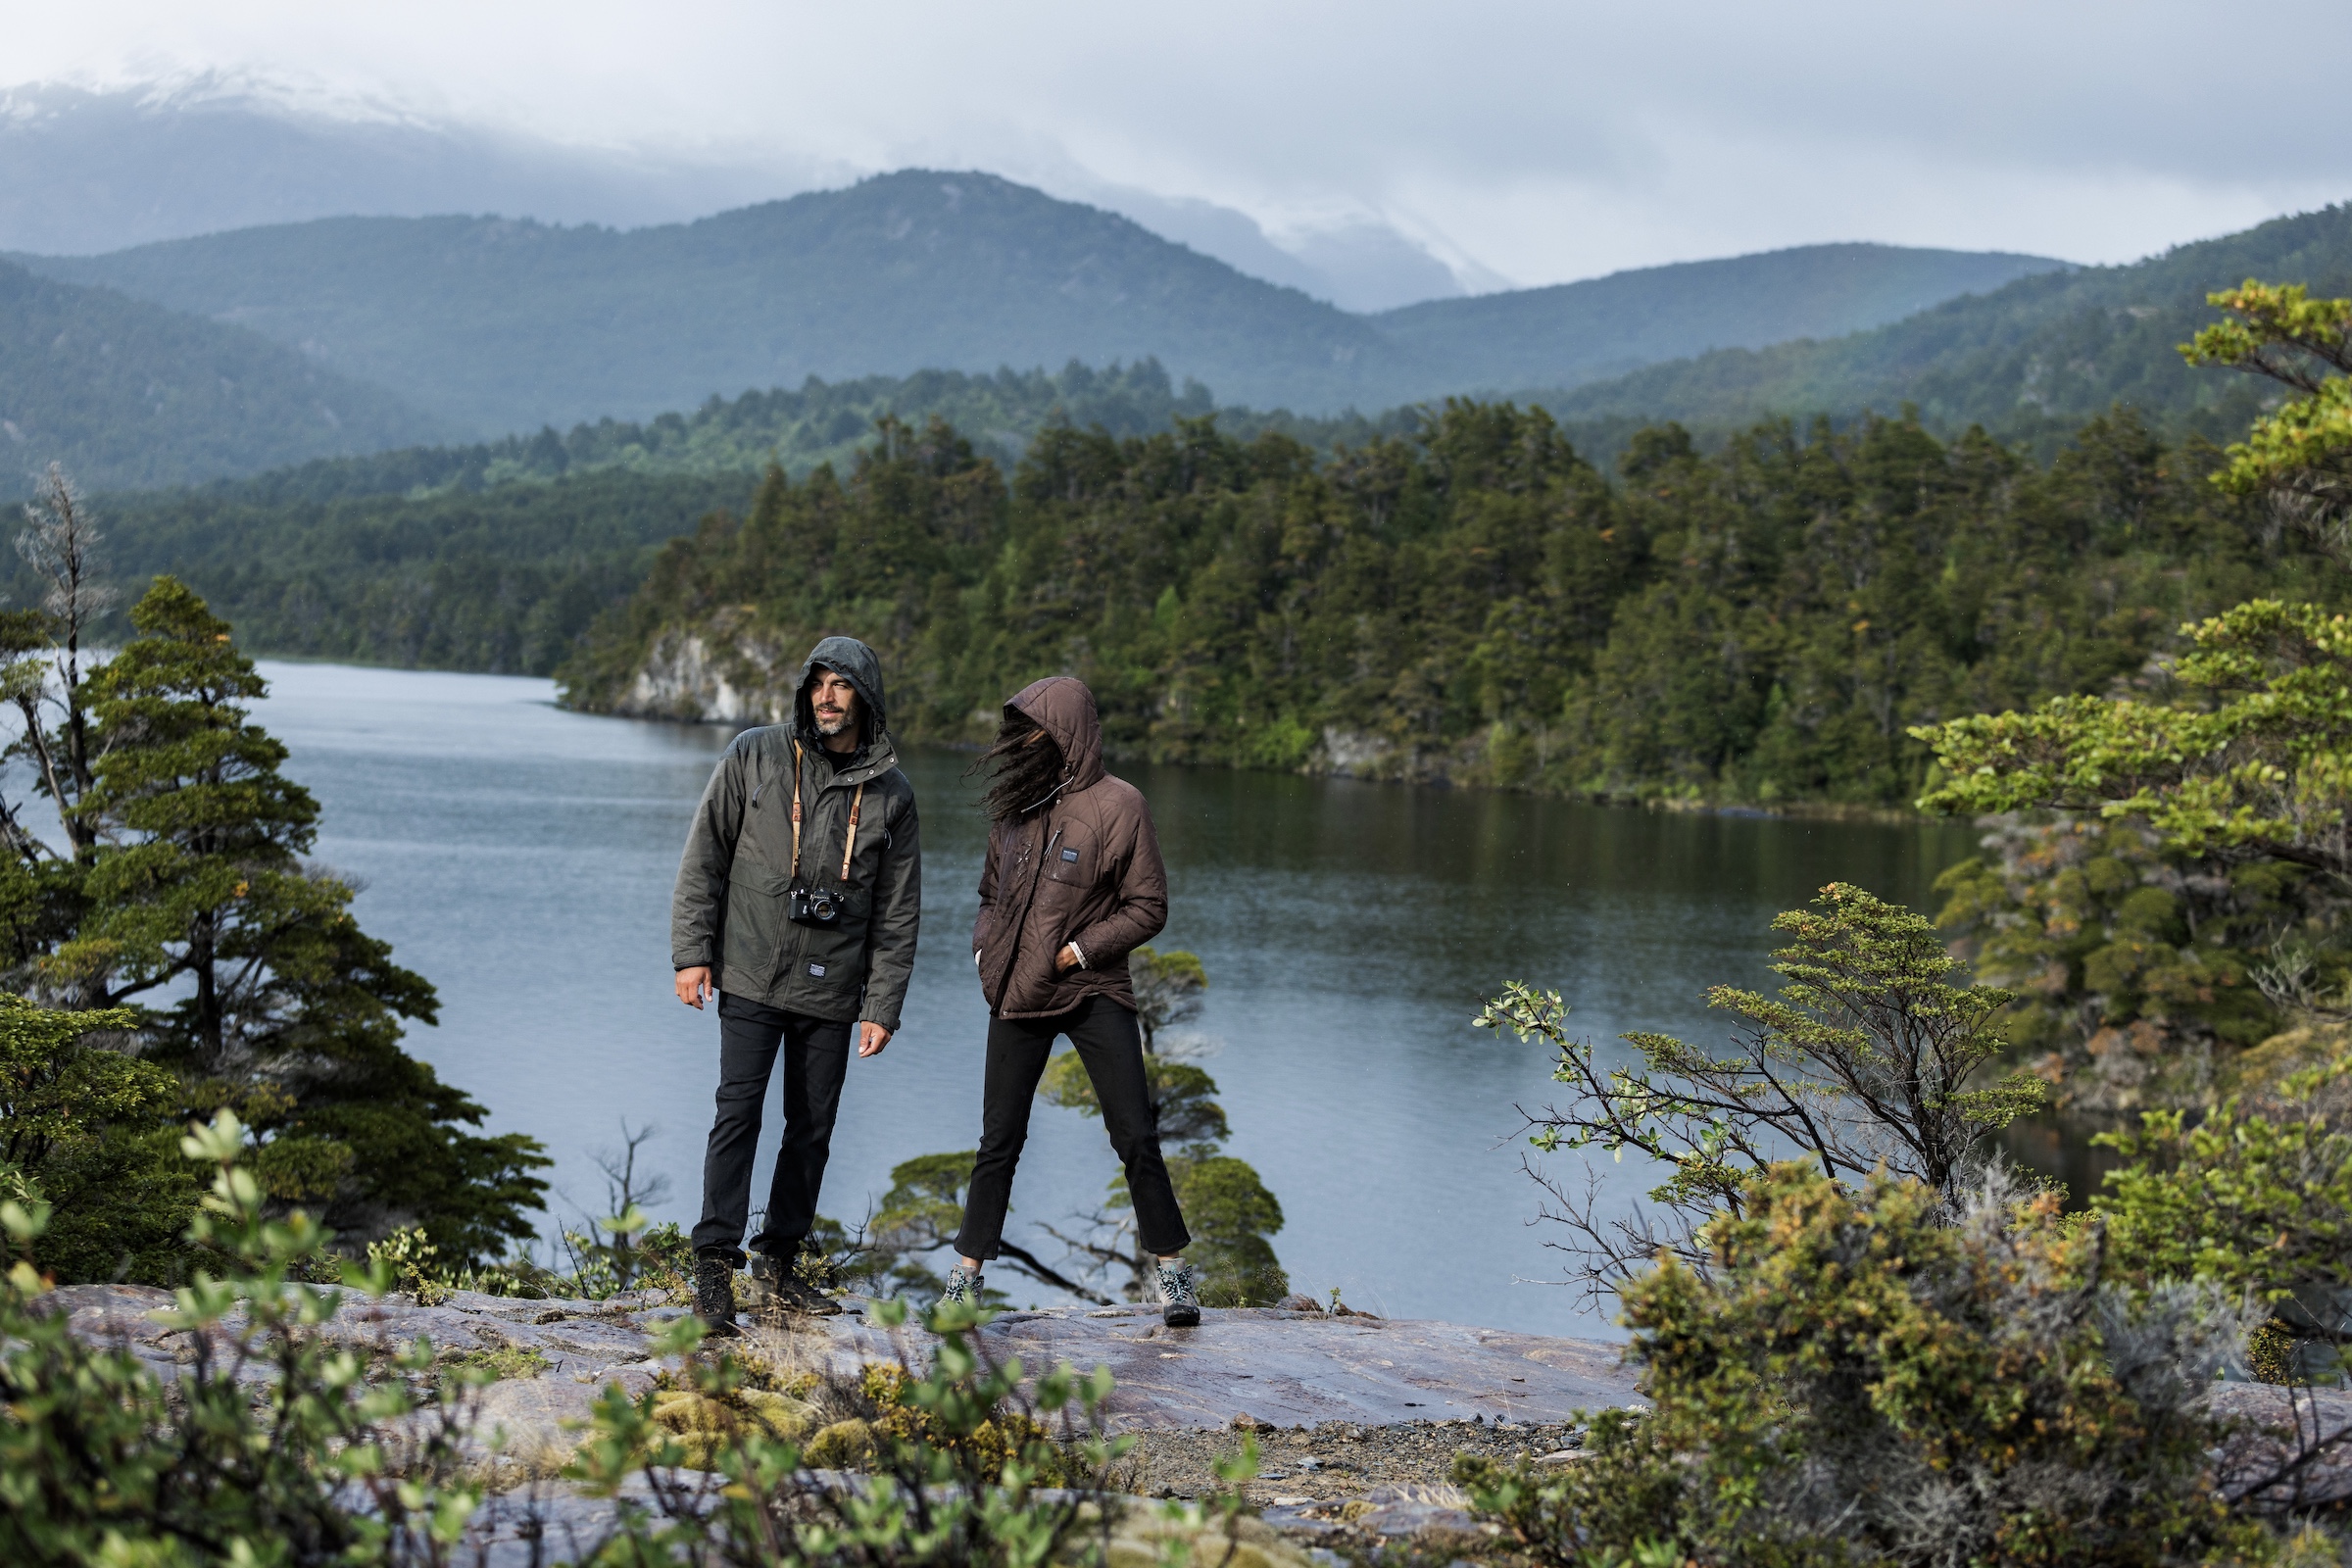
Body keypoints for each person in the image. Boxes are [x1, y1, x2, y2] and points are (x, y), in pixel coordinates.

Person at [669, 635, 920, 1331]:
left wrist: (882, 1005)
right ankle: (714, 1269)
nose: (826, 697)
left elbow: (898, 913)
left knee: (811, 1130)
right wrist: (692, 954)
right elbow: (704, 857)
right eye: (818, 683)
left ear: (865, 695)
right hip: (751, 970)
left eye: (841, 685)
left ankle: (778, 1265)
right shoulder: (755, 754)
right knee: (737, 1115)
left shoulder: (893, 794)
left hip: (833, 986)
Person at [947, 675, 1200, 1326]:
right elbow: (988, 897)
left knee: (1134, 1133)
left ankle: (1174, 1277)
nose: (1021, 742)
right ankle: (965, 1282)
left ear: (1066, 731)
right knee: (998, 1141)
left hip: (1093, 989)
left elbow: (1149, 906)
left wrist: (1078, 952)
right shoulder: (1015, 806)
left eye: (1033, 729)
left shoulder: (1121, 804)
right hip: (1016, 991)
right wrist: (984, 952)